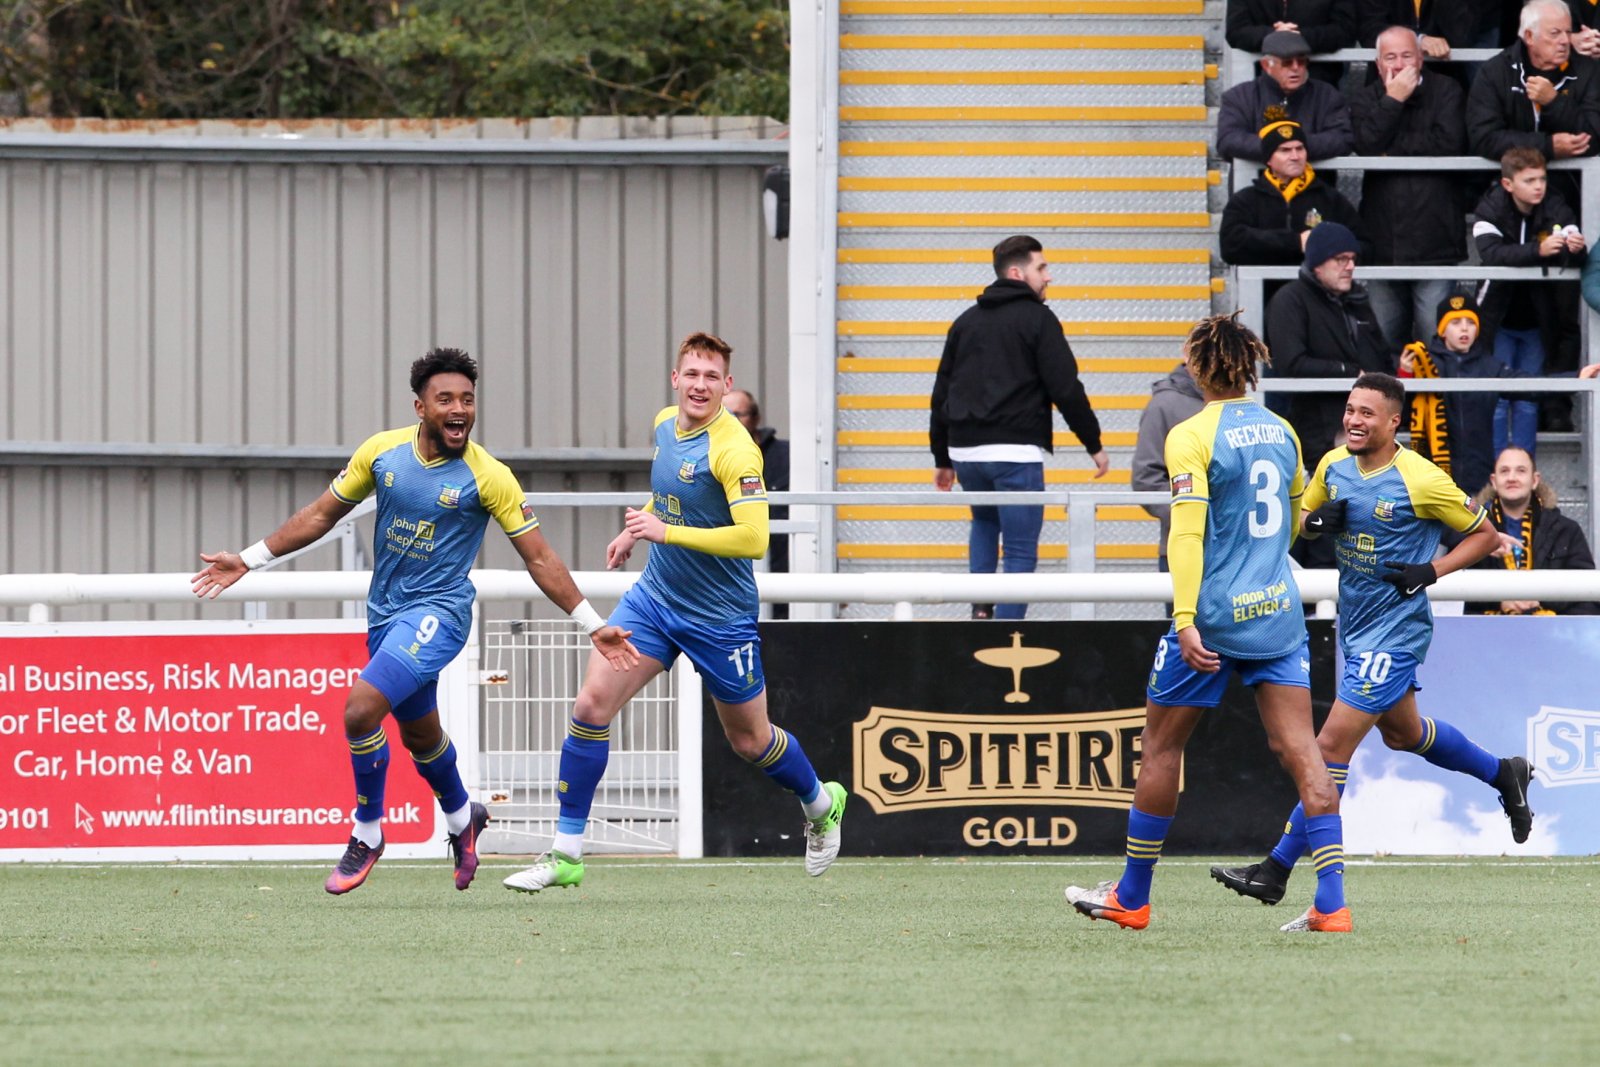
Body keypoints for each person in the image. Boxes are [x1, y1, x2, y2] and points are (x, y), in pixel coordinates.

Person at [191, 348, 639, 895]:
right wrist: (249, 558)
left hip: (439, 615)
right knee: (421, 735)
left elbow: (540, 558)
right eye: (445, 399)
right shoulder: (382, 453)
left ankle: (367, 832)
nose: (459, 409)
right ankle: (463, 817)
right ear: (420, 407)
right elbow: (320, 514)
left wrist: (591, 622)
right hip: (386, 614)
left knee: (360, 711)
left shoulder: (489, 476)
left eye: (467, 400)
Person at [503, 332, 846, 893]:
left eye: (712, 377)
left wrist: (667, 532)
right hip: (656, 600)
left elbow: (754, 538)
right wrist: (636, 532)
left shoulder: (736, 450)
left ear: (726, 386)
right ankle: (566, 853)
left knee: (750, 741)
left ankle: (821, 804)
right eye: (692, 374)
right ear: (675, 379)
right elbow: (673, 496)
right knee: (590, 705)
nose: (700, 386)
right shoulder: (666, 425)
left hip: (720, 618)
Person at [1064, 313, 1347, 934]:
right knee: (1305, 755)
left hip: (1214, 617)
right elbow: (1294, 524)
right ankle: (1332, 904)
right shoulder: (1282, 430)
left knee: (1162, 747)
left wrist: (1186, 617)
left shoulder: (1191, 433)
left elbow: (1186, 534)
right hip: (1277, 614)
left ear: (1197, 368)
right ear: (1250, 366)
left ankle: (1132, 896)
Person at [1211, 373, 1534, 916]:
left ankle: (1276, 870)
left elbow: (1483, 536)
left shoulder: (1420, 477)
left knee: (1328, 750)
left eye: (1366, 413)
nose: (1354, 421)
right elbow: (1298, 522)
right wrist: (1316, 522)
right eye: (1350, 410)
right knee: (1405, 733)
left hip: (1397, 632)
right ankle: (1504, 772)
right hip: (1357, 626)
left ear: (1393, 423)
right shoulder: (1333, 465)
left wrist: (1430, 571)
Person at [930, 234, 1109, 621]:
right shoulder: (1039, 320)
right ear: (1016, 273)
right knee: (1020, 550)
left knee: (983, 522)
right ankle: (1005, 632)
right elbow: (1065, 387)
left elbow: (941, 391)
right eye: (1041, 268)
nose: (1049, 276)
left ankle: (980, 612)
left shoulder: (965, 322)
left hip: (966, 453)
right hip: (1014, 453)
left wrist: (942, 457)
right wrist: (1093, 443)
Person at [1400, 293, 1600, 494]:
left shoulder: (1489, 366)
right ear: (1442, 330)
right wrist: (1405, 376)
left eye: (1471, 322)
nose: (1464, 328)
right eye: (1455, 323)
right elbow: (1401, 411)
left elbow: (1529, 386)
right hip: (1433, 477)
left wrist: (1574, 378)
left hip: (1479, 478)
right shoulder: (1425, 364)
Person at [1350, 26, 1469, 346]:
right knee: (1383, 343)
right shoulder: (1366, 97)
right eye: (1390, 57)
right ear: (1378, 65)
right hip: (1383, 241)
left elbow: (1450, 144)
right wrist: (1393, 100)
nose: (1400, 64)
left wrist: (1391, 149)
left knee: (1438, 343)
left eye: (1406, 56)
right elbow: (1366, 144)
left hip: (1436, 239)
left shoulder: (1447, 90)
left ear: (1420, 59)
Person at [1473, 145, 1587, 457]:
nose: (1539, 186)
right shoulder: (1489, 208)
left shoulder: (1555, 204)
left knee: (1527, 401)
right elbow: (1492, 253)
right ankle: (1496, 471)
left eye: (1542, 179)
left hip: (1539, 322)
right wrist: (1538, 250)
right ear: (1508, 184)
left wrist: (1575, 248)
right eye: (1530, 180)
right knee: (1498, 398)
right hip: (1499, 322)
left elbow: (1574, 253)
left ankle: (1524, 470)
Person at [1264, 221, 1396, 471]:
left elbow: (1380, 356)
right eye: (1341, 259)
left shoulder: (1357, 300)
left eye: (1352, 259)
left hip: (1367, 432)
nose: (1350, 266)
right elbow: (1292, 362)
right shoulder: (1289, 300)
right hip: (1316, 433)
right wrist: (1350, 372)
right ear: (1318, 263)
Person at [1453, 445, 1600, 613]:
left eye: (1521, 471)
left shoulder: (1567, 531)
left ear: (1535, 480)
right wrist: (1500, 602)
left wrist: (1539, 600)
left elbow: (1588, 597)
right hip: (1489, 628)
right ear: (1494, 481)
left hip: (1551, 627)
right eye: (1504, 471)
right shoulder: (1472, 532)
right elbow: (1457, 598)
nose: (1512, 478)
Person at [1467, 0, 1600, 163]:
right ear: (1529, 36)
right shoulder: (1495, 71)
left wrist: (1554, 102)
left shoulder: (1587, 71)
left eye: (1568, 32)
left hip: (1570, 178)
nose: (1565, 40)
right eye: (1555, 33)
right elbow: (1483, 138)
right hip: (1510, 176)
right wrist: (1547, 146)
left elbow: (1594, 138)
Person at [1219, 120, 1368, 266]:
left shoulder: (1329, 198)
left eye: (1300, 149)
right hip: (1265, 283)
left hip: (1316, 283)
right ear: (1269, 159)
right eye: (1285, 150)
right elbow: (1230, 246)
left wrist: (1325, 251)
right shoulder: (1246, 200)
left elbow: (1364, 246)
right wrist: (1295, 242)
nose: (1295, 156)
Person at [1217, 30, 1355, 162]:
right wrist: (1278, 146)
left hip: (1315, 178)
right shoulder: (1239, 96)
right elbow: (1228, 140)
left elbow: (1343, 139)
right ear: (1266, 65)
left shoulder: (1327, 95)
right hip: (1258, 178)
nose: (1295, 68)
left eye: (1301, 62)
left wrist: (1293, 146)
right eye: (1287, 62)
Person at [1131, 361, 1205, 573]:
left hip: (1238, 553)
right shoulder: (1164, 405)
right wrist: (1195, 515)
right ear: (1188, 352)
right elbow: (1147, 478)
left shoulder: (1241, 406)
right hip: (1185, 549)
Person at [725, 389, 791, 619]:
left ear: (755, 418)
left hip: (784, 569)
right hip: (730, 573)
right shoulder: (706, 457)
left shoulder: (788, 456)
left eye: (737, 414)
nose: (730, 421)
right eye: (724, 414)